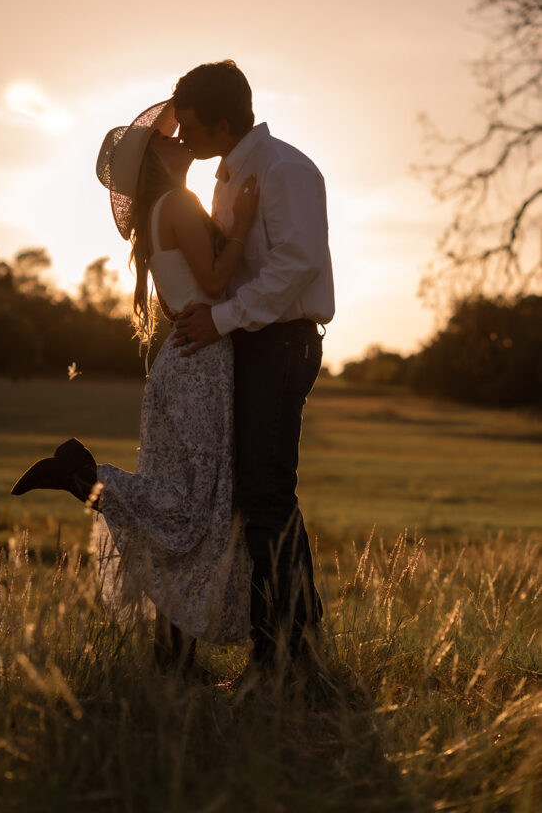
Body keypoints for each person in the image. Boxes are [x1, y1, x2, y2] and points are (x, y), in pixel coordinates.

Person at [11, 98, 259, 668]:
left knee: (180, 509)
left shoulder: (158, 211)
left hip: (181, 359)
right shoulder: (176, 203)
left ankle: (173, 653)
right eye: (171, 138)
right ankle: (86, 476)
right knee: (195, 506)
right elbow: (217, 284)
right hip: (199, 360)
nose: (182, 140)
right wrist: (242, 225)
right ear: (155, 159)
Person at [171, 60, 334, 673]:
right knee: (252, 496)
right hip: (250, 343)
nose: (184, 142)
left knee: (265, 498)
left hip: (283, 343)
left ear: (220, 122)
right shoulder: (230, 177)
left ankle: (286, 657)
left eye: (189, 129)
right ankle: (293, 646)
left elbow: (297, 266)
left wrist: (220, 318)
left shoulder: (284, 169)